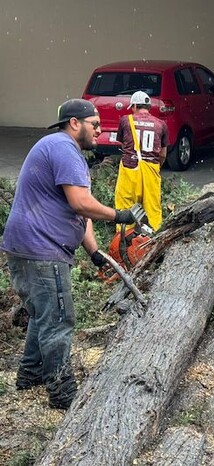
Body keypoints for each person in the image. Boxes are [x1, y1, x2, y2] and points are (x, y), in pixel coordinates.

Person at [1, 99, 138, 409]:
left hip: (24, 247)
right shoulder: (64, 149)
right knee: (59, 319)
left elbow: (77, 212)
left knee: (42, 313)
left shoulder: (58, 147)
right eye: (95, 124)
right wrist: (120, 215)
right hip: (42, 250)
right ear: (74, 123)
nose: (101, 130)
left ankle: (29, 377)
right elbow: (81, 203)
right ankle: (63, 394)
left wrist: (94, 252)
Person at [115, 91, 168, 231]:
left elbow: (123, 145)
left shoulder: (126, 121)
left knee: (125, 208)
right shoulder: (161, 124)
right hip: (151, 170)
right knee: (153, 210)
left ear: (134, 106)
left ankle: (123, 243)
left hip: (129, 169)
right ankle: (155, 240)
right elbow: (162, 154)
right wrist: (154, 168)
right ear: (149, 106)